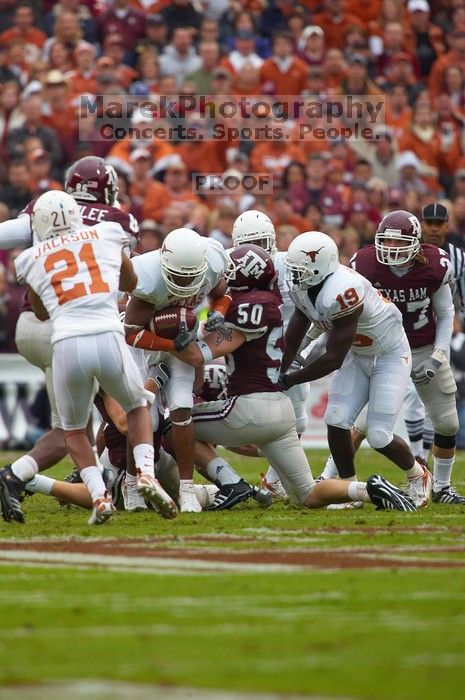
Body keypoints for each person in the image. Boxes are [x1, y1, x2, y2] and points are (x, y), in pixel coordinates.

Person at [173, 243, 416, 513]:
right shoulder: (276, 301)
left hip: (249, 407)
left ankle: (231, 483)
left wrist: (164, 338)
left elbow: (199, 355)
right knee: (308, 494)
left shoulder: (245, 307)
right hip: (280, 411)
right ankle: (368, 490)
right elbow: (292, 339)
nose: (224, 277)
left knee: (175, 425)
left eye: (230, 272)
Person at [0, 191, 176, 525]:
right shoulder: (107, 232)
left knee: (74, 431)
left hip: (66, 342)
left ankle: (99, 497)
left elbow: (38, 310)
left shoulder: (31, 257)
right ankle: (147, 475)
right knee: (137, 407)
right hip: (108, 334)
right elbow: (131, 280)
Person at [278, 230, 431, 508]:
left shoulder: (343, 290)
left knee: (378, 435)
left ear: (318, 266)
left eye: (300, 269)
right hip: (359, 354)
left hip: (389, 354)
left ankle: (417, 475)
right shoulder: (305, 287)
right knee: (335, 420)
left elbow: (333, 358)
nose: (295, 276)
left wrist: (290, 378)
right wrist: (281, 368)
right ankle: (349, 488)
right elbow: (293, 337)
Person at [346, 209, 464, 505]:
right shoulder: (365, 264)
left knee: (448, 424)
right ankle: (332, 477)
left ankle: (442, 487)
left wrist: (437, 356)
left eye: (400, 243)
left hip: (424, 345)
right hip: (384, 347)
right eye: (387, 242)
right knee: (360, 422)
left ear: (415, 242)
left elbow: (447, 312)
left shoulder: (435, 264)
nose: (392, 249)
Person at [124, 228, 233, 513]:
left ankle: (187, 489)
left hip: (183, 336)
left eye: (190, 276)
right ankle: (131, 482)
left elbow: (223, 296)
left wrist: (216, 314)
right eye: (179, 276)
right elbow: (131, 333)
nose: (185, 282)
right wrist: (171, 343)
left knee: (182, 406)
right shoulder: (146, 277)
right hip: (145, 343)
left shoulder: (213, 263)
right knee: (145, 413)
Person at [231, 210, 310, 499]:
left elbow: (307, 310)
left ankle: (275, 480)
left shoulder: (290, 265)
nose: (256, 253)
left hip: (290, 349)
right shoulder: (230, 268)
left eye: (262, 243)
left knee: (297, 418)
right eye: (249, 244)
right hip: (249, 350)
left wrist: (302, 348)